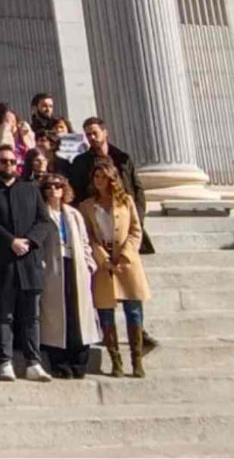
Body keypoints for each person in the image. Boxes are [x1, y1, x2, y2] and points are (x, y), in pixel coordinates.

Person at [0, 144, 55, 382]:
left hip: (29, 261)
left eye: (11, 161)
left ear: (17, 163)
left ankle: (33, 362)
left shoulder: (30, 189)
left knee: (31, 316)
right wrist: (10, 241)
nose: (7, 165)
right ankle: (5, 361)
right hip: (4, 262)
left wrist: (29, 241)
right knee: (5, 314)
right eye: (2, 161)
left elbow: (44, 221)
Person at [78, 157, 152, 379]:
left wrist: (126, 255)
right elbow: (88, 236)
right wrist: (102, 257)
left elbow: (135, 231)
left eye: (103, 177)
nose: (99, 181)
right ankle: (116, 360)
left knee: (134, 310)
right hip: (104, 261)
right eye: (96, 177)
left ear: (112, 179)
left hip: (126, 261)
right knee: (106, 312)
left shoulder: (126, 201)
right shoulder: (87, 206)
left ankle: (137, 359)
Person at [38, 174, 100, 379]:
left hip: (75, 265)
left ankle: (79, 361)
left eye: (58, 186)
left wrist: (89, 264)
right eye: (49, 186)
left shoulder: (73, 214)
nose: (54, 190)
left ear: (65, 189)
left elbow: (84, 240)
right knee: (56, 315)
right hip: (53, 267)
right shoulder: (42, 213)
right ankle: (60, 362)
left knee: (78, 312)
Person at [71, 117, 153, 254]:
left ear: (105, 133)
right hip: (100, 221)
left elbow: (137, 188)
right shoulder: (80, 163)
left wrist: (137, 216)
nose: (91, 137)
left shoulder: (122, 158)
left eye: (94, 133)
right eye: (88, 135)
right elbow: (77, 193)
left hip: (125, 218)